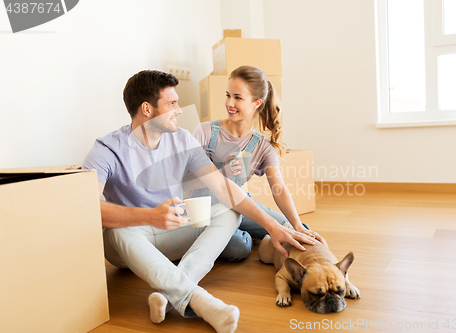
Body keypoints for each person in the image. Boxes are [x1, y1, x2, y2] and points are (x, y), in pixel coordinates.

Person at [81, 70, 317, 333]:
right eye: (171, 104)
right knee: (115, 229)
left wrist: (273, 227)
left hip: (172, 231)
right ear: (147, 109)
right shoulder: (106, 149)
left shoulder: (182, 139)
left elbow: (224, 188)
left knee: (228, 211)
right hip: (130, 241)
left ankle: (171, 292)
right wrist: (149, 216)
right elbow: (87, 208)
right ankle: (200, 301)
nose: (179, 110)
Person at [191, 66, 327, 261]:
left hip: (242, 205)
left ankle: (318, 262)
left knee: (295, 229)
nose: (230, 103)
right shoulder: (205, 131)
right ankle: (249, 234)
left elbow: (278, 187)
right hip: (207, 211)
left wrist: (296, 224)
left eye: (238, 97)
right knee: (240, 248)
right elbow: (186, 180)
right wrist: (223, 172)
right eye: (228, 95)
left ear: (257, 103)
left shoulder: (263, 147)